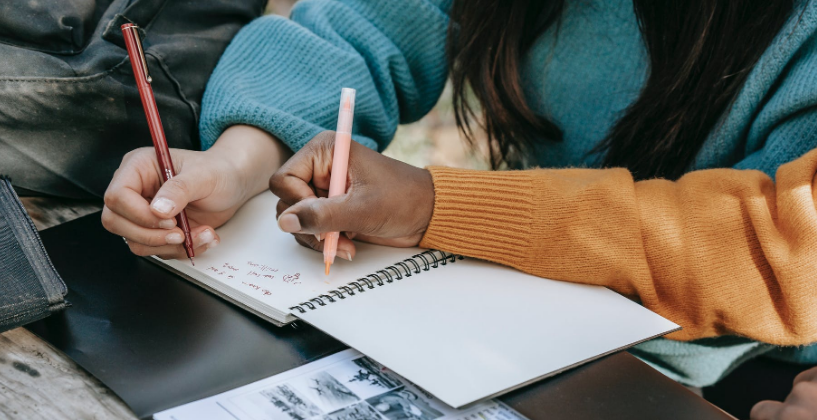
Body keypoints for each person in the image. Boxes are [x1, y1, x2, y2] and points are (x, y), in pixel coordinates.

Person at [101, 0, 817, 416]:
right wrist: (242, 157)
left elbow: (781, 245)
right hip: (520, 314)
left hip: (739, 371)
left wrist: (436, 206)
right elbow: (367, 23)